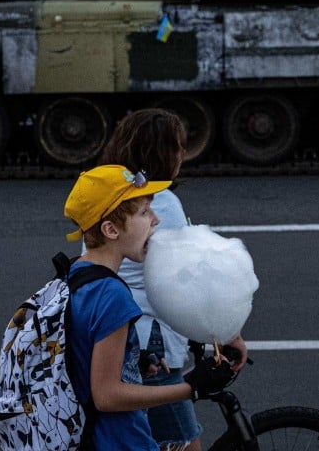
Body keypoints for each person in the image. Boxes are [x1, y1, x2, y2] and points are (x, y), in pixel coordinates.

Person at [101, 109, 248, 451]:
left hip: (120, 331)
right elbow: (188, 278)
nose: (183, 155)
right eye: (179, 147)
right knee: (183, 445)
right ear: (163, 153)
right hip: (150, 344)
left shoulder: (112, 193)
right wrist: (229, 334)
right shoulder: (159, 204)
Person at [62, 164, 238, 449]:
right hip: (120, 441)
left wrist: (133, 361)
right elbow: (106, 396)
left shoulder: (77, 273)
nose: (155, 220)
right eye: (144, 213)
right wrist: (190, 387)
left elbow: (83, 354)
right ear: (110, 229)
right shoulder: (112, 295)